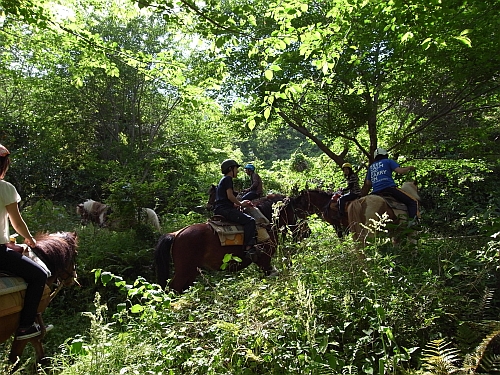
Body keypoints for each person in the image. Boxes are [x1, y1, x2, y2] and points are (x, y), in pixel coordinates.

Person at [0, 144, 53, 340]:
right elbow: (16, 221)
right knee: (39, 275)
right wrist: (29, 238)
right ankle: (26, 326)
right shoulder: (5, 188)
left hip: (3, 246)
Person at [214, 159, 258, 258]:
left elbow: (225, 199)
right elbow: (230, 196)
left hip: (222, 208)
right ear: (230, 169)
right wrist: (241, 204)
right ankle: (249, 248)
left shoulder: (223, 180)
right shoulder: (228, 179)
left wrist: (237, 205)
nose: (237, 171)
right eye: (236, 168)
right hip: (225, 210)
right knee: (250, 221)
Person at [362, 147, 418, 222]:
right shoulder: (388, 161)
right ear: (385, 155)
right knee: (413, 202)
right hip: (389, 188)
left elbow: (368, 182)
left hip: (375, 192)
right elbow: (400, 171)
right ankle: (412, 223)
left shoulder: (371, 167)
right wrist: (409, 168)